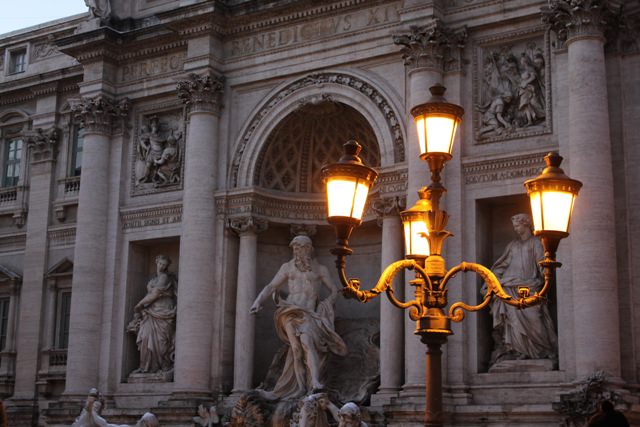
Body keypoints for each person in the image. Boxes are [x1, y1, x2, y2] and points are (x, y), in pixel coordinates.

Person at [250, 235, 347, 399]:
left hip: (308, 313)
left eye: (299, 248)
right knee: (295, 350)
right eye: (294, 248)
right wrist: (258, 301)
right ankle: (300, 388)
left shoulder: (320, 270)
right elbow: (272, 286)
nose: (296, 251)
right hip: (289, 311)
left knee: (307, 343)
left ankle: (315, 382)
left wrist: (327, 304)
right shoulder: (287, 267)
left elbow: (334, 290)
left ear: (308, 249)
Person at [485, 213, 557, 365]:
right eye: (514, 226)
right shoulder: (513, 245)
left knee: (535, 320)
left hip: (529, 286)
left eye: (518, 226)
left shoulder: (536, 243)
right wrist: (493, 279)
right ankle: (518, 351)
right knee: (512, 322)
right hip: (510, 288)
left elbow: (542, 264)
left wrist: (545, 276)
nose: (516, 229)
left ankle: (541, 350)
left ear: (526, 225)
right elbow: (502, 265)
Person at [127, 255, 177, 374]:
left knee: (162, 340)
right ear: (156, 262)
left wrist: (139, 304)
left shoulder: (164, 277)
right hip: (151, 311)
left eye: (164, 265)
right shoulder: (154, 279)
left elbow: (155, 294)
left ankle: (162, 365)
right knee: (145, 337)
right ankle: (145, 366)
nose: (162, 266)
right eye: (160, 264)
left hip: (163, 310)